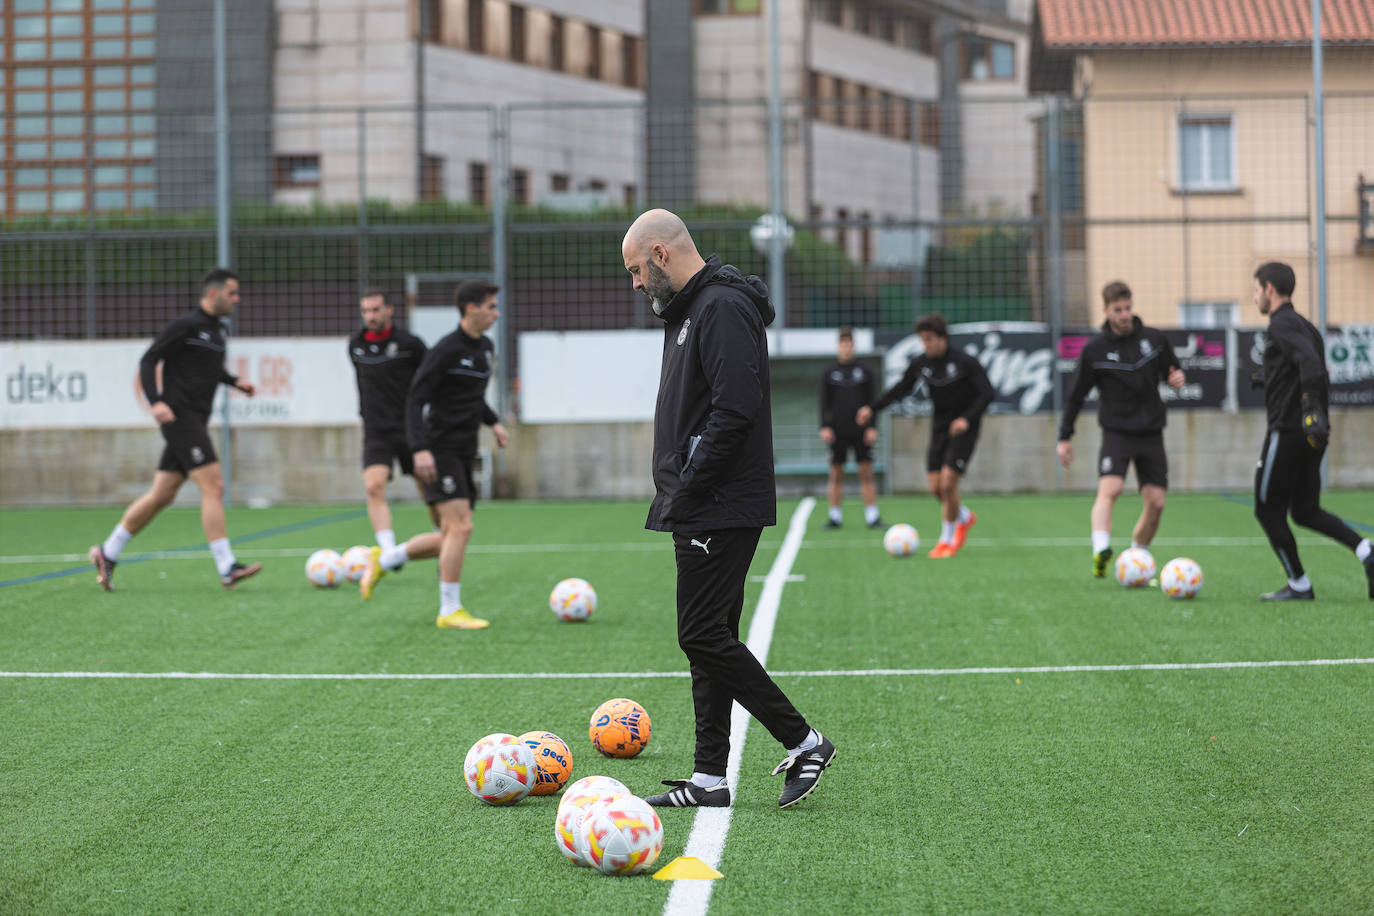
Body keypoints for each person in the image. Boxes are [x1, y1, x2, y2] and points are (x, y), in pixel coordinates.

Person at [622, 208, 834, 810]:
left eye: (637, 271)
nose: (636, 285)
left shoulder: (721, 309)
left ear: (662, 255)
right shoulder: (692, 311)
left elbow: (734, 410)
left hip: (716, 501)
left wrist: (688, 484)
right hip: (700, 501)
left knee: (701, 634)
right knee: (709, 635)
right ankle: (710, 777)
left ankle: (804, 739)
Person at [87, 268, 263, 590]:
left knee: (161, 495)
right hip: (179, 419)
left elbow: (208, 370)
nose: (237, 299)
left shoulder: (217, 332)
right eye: (232, 293)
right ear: (213, 293)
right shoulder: (184, 326)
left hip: (196, 419)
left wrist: (235, 381)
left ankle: (107, 552)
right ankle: (227, 566)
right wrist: (155, 401)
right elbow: (148, 359)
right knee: (215, 487)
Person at [360, 281, 508, 629]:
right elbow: (415, 399)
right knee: (461, 526)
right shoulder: (445, 349)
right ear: (471, 308)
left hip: (464, 449)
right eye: (490, 306)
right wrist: (420, 448)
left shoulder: (486, 347)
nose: (496, 313)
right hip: (439, 449)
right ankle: (449, 610)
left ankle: (387, 558)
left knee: (450, 534)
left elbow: (472, 396)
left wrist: (494, 422)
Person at [1249, 262, 1373, 600]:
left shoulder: (1281, 325)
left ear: (1269, 289)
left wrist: (1309, 410)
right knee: (1304, 510)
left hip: (1288, 432)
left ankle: (1299, 585)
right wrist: (1268, 379)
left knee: (1265, 509)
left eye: (1257, 289)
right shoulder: (1305, 325)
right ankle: (1367, 552)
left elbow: (1311, 366)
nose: (1255, 296)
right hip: (1311, 434)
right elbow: (1309, 367)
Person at [1056, 281, 1185, 577]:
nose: (1125, 314)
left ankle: (1137, 558)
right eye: (1118, 310)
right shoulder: (1095, 351)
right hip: (1117, 432)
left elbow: (1173, 372)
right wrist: (1065, 437)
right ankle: (1101, 548)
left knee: (1157, 502)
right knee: (1111, 489)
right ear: (1105, 310)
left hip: (1151, 432)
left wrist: (1176, 379)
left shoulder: (1154, 339)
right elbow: (1075, 396)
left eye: (1128, 308)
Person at [858, 313, 993, 558]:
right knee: (935, 488)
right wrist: (872, 408)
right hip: (940, 427)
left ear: (942, 338)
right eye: (923, 340)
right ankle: (964, 516)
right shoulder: (922, 363)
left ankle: (946, 540)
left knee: (948, 482)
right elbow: (901, 388)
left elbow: (987, 394)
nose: (926, 345)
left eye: (930, 339)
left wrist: (966, 419)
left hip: (964, 428)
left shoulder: (965, 362)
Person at [348, 288, 441, 566]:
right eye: (365, 311)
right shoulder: (355, 345)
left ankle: (442, 540)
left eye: (376, 310)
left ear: (390, 310)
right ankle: (389, 552)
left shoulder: (410, 344)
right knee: (374, 486)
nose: (370, 316)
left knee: (430, 489)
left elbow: (430, 377)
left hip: (410, 429)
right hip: (376, 431)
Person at [819, 327, 881, 529]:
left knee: (866, 472)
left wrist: (872, 427)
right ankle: (834, 516)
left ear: (854, 346)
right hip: (837, 430)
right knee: (836, 473)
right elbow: (824, 402)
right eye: (843, 344)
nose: (846, 348)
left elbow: (872, 401)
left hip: (861, 431)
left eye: (849, 344)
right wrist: (825, 426)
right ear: (838, 346)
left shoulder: (865, 371)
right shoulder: (829, 372)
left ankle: (872, 516)